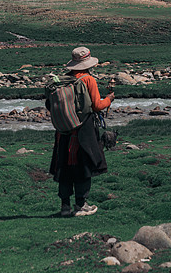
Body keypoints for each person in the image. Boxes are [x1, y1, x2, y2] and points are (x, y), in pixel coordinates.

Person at [47, 46, 115, 217]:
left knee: (64, 166)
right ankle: (81, 205)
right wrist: (109, 99)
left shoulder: (63, 80)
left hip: (63, 130)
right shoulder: (88, 80)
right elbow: (97, 106)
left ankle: (64, 206)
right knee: (84, 164)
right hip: (83, 129)